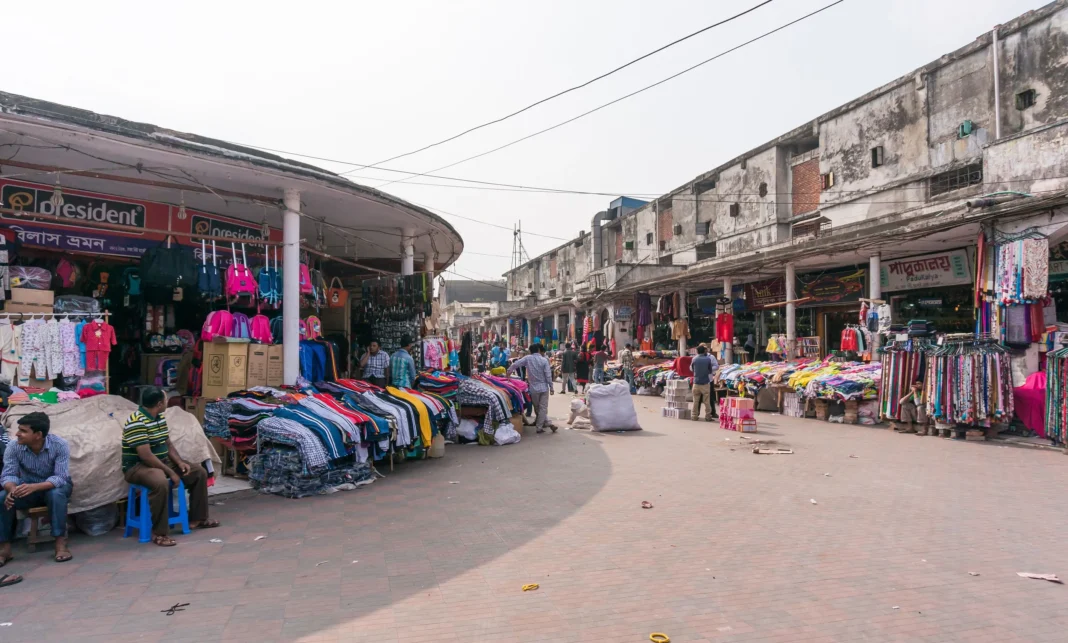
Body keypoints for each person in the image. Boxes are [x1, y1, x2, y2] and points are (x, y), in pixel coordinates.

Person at [122, 387, 218, 547]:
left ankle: (198, 518)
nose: (167, 402)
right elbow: (146, 456)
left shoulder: (159, 417)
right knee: (160, 482)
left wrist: (179, 463)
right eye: (166, 400)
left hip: (160, 462)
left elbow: (168, 445)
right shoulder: (136, 422)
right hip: (138, 467)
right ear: (159, 404)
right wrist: (170, 473)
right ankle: (159, 533)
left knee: (199, 472)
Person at [1, 412, 73, 565]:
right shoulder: (13, 446)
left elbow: (61, 477)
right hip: (28, 488)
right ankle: (4, 548)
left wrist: (36, 487)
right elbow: (8, 475)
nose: (17, 434)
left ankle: (60, 543)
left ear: (38, 435)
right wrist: (12, 490)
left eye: (23, 431)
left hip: (54, 487)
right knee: (2, 497)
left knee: (56, 494)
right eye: (19, 429)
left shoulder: (59, 445)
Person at [508, 344, 555, 433]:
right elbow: (548, 375)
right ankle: (540, 426)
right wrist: (551, 387)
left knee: (537, 408)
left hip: (533, 388)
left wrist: (509, 372)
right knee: (543, 408)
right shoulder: (544, 360)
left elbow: (515, 364)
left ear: (530, 351)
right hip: (544, 387)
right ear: (538, 350)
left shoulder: (527, 358)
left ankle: (545, 423)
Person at [690, 345, 719, 422]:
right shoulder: (708, 359)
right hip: (705, 383)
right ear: (704, 351)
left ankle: (694, 416)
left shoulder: (694, 359)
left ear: (697, 351)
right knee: (707, 401)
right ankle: (708, 416)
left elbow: (691, 369)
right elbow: (710, 371)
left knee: (695, 401)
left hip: (696, 382)